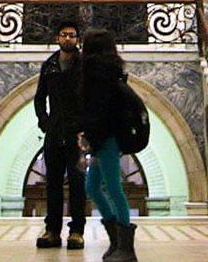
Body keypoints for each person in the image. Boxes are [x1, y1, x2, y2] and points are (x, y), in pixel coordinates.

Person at [80, 27, 139, 262]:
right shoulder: (104, 73)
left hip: (107, 138)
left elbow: (101, 112)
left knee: (114, 188)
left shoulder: (101, 75)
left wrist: (92, 137)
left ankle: (126, 248)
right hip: (101, 138)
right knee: (92, 187)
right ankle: (116, 241)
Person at [33, 21, 85, 250]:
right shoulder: (49, 65)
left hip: (77, 133)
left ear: (78, 39)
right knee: (52, 182)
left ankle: (76, 231)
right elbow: (39, 97)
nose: (68, 39)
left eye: (72, 35)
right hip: (54, 132)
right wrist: (44, 123)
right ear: (57, 38)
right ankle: (52, 230)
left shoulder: (84, 65)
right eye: (64, 35)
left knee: (77, 183)